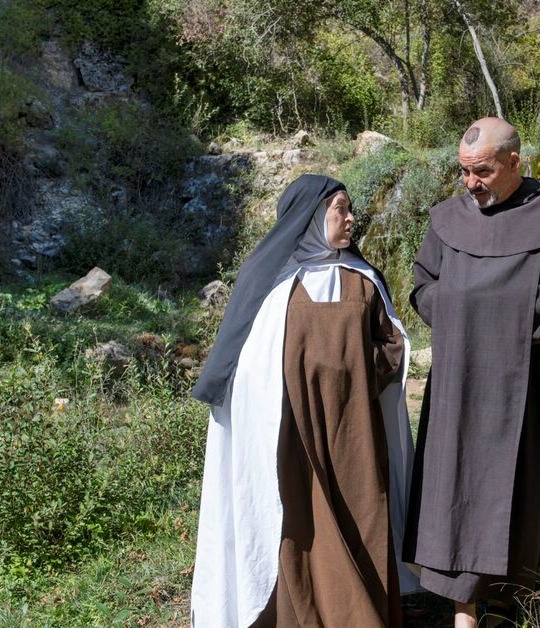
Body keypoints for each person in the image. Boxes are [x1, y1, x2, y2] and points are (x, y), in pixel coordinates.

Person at [190, 174, 418, 627]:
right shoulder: (271, 285)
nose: (351, 219)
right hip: (291, 435)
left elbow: (392, 345)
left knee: (363, 516)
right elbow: (247, 363)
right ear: (313, 216)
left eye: (350, 209)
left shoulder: (364, 280)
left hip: (354, 432)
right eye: (341, 209)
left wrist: (351, 370)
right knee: (295, 523)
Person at [403, 118, 540, 627]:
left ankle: (509, 600)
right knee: (459, 486)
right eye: (464, 172)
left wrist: (497, 316)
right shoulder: (448, 219)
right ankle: (463, 607)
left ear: (514, 162)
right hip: (460, 380)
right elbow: (425, 286)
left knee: (519, 486)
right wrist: (477, 314)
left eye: (482, 171)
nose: (471, 183)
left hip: (528, 379)